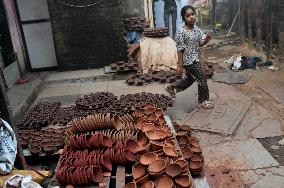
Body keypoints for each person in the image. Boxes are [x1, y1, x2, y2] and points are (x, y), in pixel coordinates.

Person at [166, 5, 214, 109]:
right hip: (189, 61)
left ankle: (172, 87)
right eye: (188, 15)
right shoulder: (181, 33)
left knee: (190, 79)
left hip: (195, 58)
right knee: (202, 79)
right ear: (184, 18)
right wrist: (180, 66)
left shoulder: (196, 29)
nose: (191, 17)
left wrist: (206, 40)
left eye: (193, 14)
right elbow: (180, 50)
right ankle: (203, 100)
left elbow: (200, 43)